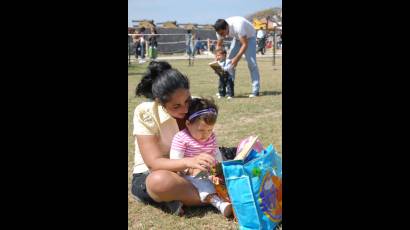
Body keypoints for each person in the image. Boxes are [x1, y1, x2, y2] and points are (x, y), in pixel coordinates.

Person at [131, 61, 217, 216]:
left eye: (187, 101)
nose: (185, 109)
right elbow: (153, 163)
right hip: (152, 173)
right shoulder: (145, 112)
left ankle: (183, 196)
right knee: (160, 181)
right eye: (176, 106)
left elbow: (206, 137)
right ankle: (217, 197)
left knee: (234, 154)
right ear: (159, 102)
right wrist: (188, 162)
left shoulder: (196, 105)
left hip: (190, 171)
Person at [169, 97, 233, 217]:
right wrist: (189, 168)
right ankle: (219, 203)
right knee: (202, 179)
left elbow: (216, 153)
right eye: (201, 130)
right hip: (189, 174)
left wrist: (218, 170)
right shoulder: (181, 138)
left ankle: (228, 196)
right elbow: (175, 162)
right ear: (188, 124)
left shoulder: (211, 136)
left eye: (210, 129)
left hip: (209, 171)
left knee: (223, 178)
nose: (206, 134)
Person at [213, 17, 261, 97]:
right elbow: (219, 45)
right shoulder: (219, 31)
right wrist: (217, 61)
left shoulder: (238, 26)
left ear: (227, 27)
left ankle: (255, 91)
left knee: (251, 63)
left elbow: (245, 44)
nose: (222, 36)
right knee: (228, 63)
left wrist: (236, 59)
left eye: (222, 33)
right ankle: (227, 90)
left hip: (250, 37)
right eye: (220, 34)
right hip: (237, 38)